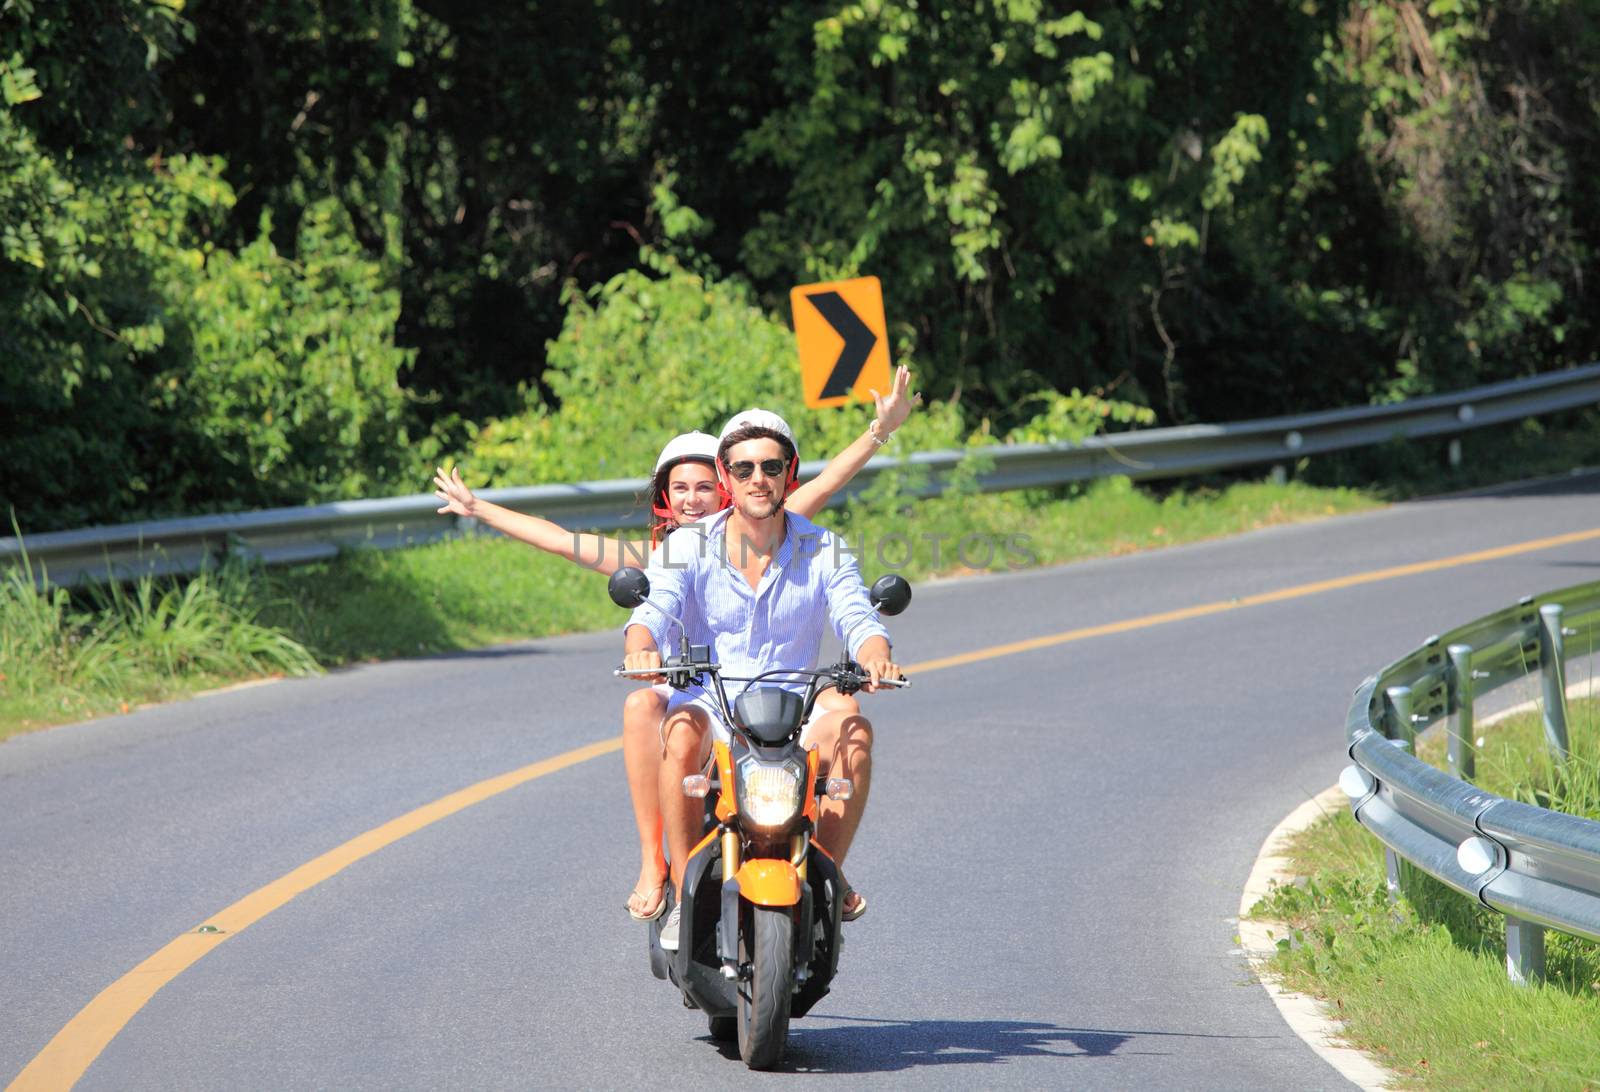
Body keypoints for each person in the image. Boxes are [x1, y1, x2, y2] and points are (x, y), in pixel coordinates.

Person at [432, 367, 918, 921]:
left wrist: (880, 433)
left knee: (852, 716)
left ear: (766, 480)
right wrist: (480, 510)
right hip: (700, 690)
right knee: (648, 708)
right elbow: (598, 570)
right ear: (694, 487)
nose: (699, 498)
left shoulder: (801, 533)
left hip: (789, 696)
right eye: (684, 487)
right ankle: (666, 870)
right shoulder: (673, 552)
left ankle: (827, 870)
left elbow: (850, 582)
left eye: (707, 486)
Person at [623, 409, 902, 950]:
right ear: (726, 478)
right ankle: (683, 891)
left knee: (855, 728)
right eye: (744, 468)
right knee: (678, 731)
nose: (758, 479)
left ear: (788, 472)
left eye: (771, 467)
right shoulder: (688, 546)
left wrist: (876, 658)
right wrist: (641, 650)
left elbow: (859, 620)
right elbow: (650, 614)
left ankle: (824, 874)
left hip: (793, 711)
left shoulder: (826, 547)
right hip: (715, 706)